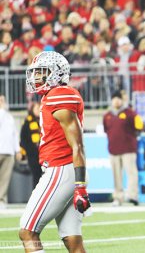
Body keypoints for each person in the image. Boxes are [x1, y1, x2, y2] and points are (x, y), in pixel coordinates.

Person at [19, 51, 91, 252]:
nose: (35, 77)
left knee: (27, 231)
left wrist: (80, 186)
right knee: (73, 240)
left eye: (41, 72)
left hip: (62, 169)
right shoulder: (52, 96)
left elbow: (78, 144)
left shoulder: (60, 94)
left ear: (56, 73)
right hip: (67, 170)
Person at [103, 90, 144, 206]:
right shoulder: (107, 115)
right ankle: (118, 197)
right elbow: (107, 130)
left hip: (128, 149)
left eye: (118, 98)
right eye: (114, 98)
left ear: (122, 100)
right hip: (114, 149)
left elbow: (140, 126)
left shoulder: (130, 113)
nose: (116, 101)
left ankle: (133, 195)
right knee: (116, 175)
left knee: (131, 173)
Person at [0, 94, 22, 209]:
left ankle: (2, 201)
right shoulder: (2, 114)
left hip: (8, 151)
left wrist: (17, 150)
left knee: (5, 178)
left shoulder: (9, 116)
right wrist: (2, 109)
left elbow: (14, 134)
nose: (2, 102)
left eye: (3, 100)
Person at [20, 101, 43, 189]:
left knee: (43, 176)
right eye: (36, 108)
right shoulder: (27, 123)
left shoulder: (42, 121)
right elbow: (23, 139)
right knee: (36, 175)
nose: (38, 110)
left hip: (42, 154)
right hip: (32, 155)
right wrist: (26, 151)